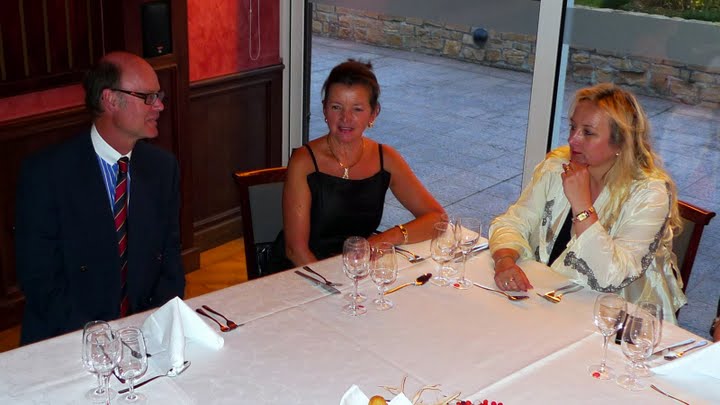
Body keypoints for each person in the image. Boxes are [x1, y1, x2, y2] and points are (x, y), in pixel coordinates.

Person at [15, 51, 186, 344]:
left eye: (159, 96)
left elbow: (170, 262)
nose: (159, 105)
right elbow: (40, 281)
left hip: (142, 334)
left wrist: (152, 327)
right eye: (148, 97)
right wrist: (101, 340)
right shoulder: (47, 174)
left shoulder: (162, 168)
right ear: (110, 100)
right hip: (67, 338)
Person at [488, 83, 687, 323]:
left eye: (588, 133)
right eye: (573, 127)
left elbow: (612, 277)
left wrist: (581, 206)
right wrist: (504, 260)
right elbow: (514, 222)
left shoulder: (650, 193)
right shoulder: (557, 167)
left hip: (617, 318)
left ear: (620, 142)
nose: (572, 139)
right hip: (547, 300)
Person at [271, 59, 445, 271]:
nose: (345, 118)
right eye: (336, 107)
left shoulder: (386, 158)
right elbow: (295, 250)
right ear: (325, 109)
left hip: (357, 267)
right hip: (305, 270)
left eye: (357, 109)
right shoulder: (304, 161)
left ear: (374, 113)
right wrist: (331, 285)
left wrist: (388, 237)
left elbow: (437, 218)